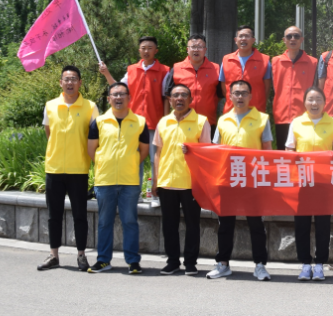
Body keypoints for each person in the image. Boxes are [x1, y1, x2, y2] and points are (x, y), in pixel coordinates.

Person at [207, 80, 273, 282]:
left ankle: (260, 265)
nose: (240, 96)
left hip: (252, 180)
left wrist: (266, 178)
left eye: (244, 93)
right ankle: (223, 264)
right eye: (236, 93)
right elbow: (215, 150)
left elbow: (268, 151)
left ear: (251, 96)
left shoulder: (261, 119)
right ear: (230, 96)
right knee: (225, 224)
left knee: (256, 224)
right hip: (228, 179)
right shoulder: (223, 120)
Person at [38, 65, 99, 272]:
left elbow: (95, 137)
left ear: (80, 83)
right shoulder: (50, 105)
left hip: (78, 169)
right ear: (60, 83)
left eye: (74, 79)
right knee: (53, 215)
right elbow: (49, 132)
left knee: (79, 215)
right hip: (54, 168)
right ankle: (53, 255)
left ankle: (81, 255)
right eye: (66, 79)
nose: (70, 82)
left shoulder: (90, 107)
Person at [86, 82, 149, 274]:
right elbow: (92, 149)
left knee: (129, 221)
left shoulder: (140, 122)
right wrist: (105, 163)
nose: (118, 98)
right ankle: (103, 260)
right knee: (104, 222)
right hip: (105, 180)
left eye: (122, 94)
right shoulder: (98, 122)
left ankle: (133, 261)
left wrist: (129, 163)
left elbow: (144, 151)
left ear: (129, 98)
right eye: (115, 94)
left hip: (130, 181)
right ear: (109, 99)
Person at [285, 86, 333, 281]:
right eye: (310, 99)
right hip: (302, 182)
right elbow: (289, 151)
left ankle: (319, 264)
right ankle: (305, 263)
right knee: (301, 224)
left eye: (318, 99)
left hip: (323, 182)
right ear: (304, 103)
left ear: (325, 103)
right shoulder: (296, 123)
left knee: (323, 225)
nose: (314, 103)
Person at [153, 83, 211, 275]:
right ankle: (172, 261)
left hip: (190, 182)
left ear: (190, 99)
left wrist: (194, 152)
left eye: (184, 95)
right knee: (169, 225)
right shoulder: (163, 122)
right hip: (167, 182)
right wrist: (155, 179)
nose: (179, 98)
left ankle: (190, 262)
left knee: (192, 224)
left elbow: (207, 153)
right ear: (170, 100)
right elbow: (158, 153)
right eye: (175, 95)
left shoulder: (201, 121)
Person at [99, 36, 169, 190]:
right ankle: (134, 193)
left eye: (150, 48)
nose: (146, 51)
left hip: (155, 123)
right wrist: (106, 73)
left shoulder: (164, 71)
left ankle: (156, 193)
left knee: (156, 159)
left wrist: (165, 122)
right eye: (143, 48)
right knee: (134, 159)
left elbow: (166, 98)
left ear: (156, 51)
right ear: (139, 50)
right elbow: (117, 88)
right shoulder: (132, 70)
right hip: (134, 123)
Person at [163, 35, 224, 133]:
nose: (196, 50)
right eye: (193, 47)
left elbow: (220, 95)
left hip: (207, 123)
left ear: (205, 50)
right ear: (187, 49)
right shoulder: (177, 68)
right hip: (182, 122)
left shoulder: (216, 69)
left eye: (200, 47)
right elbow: (168, 95)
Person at [271, 26, 318, 149]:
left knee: (303, 152)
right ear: (284, 40)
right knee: (283, 154)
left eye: (296, 36)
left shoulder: (313, 62)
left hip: (304, 116)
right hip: (281, 115)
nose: (293, 39)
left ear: (302, 39)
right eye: (289, 36)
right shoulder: (275, 62)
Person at [221, 25, 273, 114]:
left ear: (253, 40)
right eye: (241, 36)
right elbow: (224, 86)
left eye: (247, 36)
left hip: (256, 111)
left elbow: (267, 88)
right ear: (235, 40)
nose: (243, 39)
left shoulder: (264, 61)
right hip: (232, 111)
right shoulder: (227, 60)